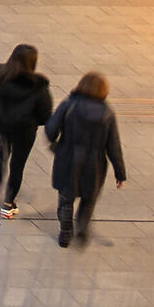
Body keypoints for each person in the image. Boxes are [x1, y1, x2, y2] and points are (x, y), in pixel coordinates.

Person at [45, 72, 126, 248]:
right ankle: (82, 228)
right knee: (89, 198)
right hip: (94, 163)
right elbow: (113, 146)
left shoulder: (69, 105)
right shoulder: (107, 114)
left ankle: (65, 232)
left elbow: (50, 130)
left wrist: (58, 143)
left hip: (68, 158)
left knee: (66, 197)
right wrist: (120, 173)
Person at [0, 45, 53, 220]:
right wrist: (37, 122)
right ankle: (8, 203)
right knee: (18, 164)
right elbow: (45, 112)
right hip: (25, 130)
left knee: (4, 150)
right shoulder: (38, 85)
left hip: (2, 125)